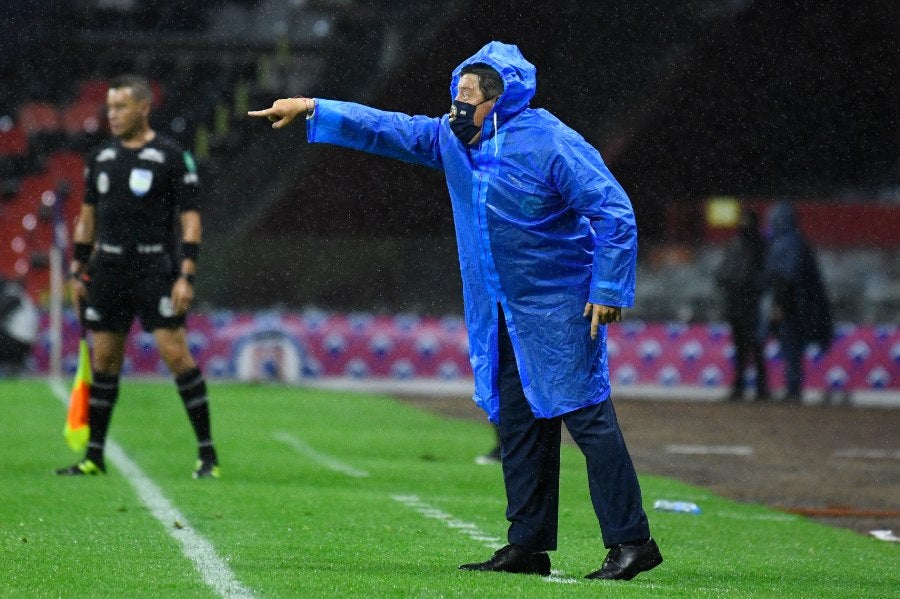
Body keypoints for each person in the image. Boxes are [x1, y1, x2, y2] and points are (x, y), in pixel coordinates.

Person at [249, 41, 661, 580]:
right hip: (499, 309)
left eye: (466, 97)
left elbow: (613, 210)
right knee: (519, 426)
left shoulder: (552, 143)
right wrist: (312, 107)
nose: (455, 107)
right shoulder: (452, 138)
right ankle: (528, 546)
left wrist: (607, 288)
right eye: (455, 94)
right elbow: (388, 128)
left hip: (558, 306)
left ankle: (632, 542)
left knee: (588, 420)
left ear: (500, 99)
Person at [56, 75, 220, 479]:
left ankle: (208, 455)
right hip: (108, 269)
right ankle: (93, 456)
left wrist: (186, 274)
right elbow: (87, 219)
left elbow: (191, 221)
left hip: (153, 268)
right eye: (109, 107)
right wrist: (78, 269)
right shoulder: (101, 158)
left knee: (176, 354)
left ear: (144, 108)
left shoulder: (170, 156)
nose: (111, 115)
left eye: (120, 107)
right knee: (105, 359)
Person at [759, 201, 832, 403]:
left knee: (791, 347)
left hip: (792, 305)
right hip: (794, 303)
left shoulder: (788, 243)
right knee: (789, 348)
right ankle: (792, 388)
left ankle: (793, 389)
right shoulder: (789, 241)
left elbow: (785, 278)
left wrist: (779, 306)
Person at [714, 208, 769, 401]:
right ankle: (741, 387)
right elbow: (722, 273)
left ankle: (760, 389)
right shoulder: (740, 244)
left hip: (750, 302)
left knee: (754, 346)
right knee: (742, 347)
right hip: (739, 301)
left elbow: (763, 275)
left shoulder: (759, 246)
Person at [0, 275, 38, 375]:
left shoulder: (13, 295)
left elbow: (2, 311)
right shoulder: (18, 294)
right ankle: (15, 366)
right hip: (21, 342)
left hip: (18, 344)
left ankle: (15, 367)